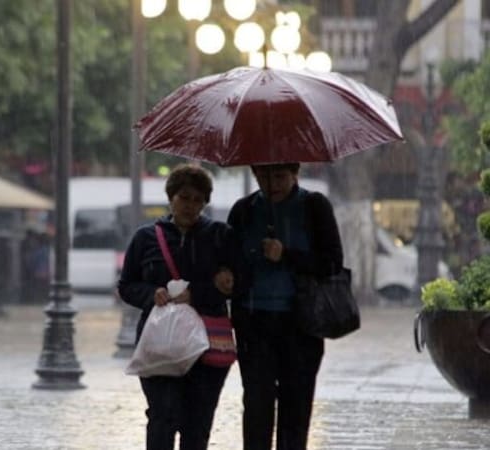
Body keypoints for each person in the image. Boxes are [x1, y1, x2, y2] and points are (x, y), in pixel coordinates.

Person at [118, 163, 239, 450]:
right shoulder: (146, 238)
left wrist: (198, 294)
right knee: (162, 416)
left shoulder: (220, 236)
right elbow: (126, 285)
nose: (190, 206)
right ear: (171, 197)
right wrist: (152, 294)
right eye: (184, 198)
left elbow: (237, 283)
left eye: (198, 200)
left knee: (198, 423)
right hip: (160, 343)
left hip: (207, 343)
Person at [226, 162, 344, 450]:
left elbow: (331, 263)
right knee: (257, 406)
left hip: (301, 325)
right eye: (264, 176)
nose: (272, 184)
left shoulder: (314, 207)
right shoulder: (243, 211)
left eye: (280, 176)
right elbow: (228, 257)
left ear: (294, 174)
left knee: (296, 408)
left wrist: (287, 254)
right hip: (254, 324)